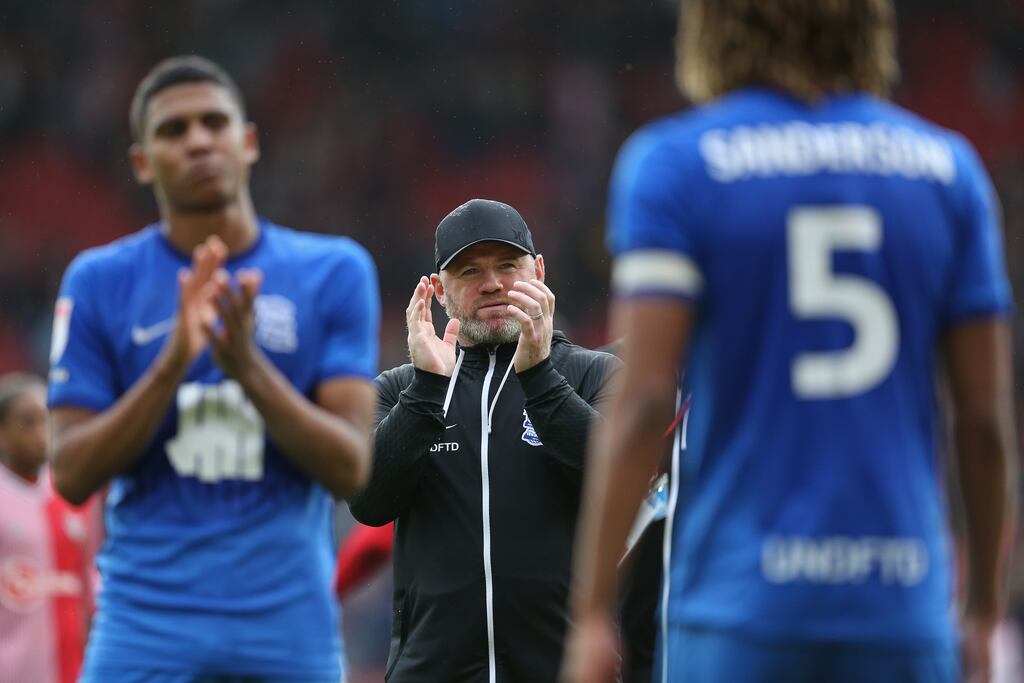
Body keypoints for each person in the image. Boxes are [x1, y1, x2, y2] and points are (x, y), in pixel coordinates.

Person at [562, 1, 1018, 682]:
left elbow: (644, 399)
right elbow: (982, 423)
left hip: (737, 610)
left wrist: (593, 608)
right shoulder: (949, 173)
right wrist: (982, 609)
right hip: (898, 606)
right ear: (867, 24)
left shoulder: (677, 165)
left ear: (714, 25)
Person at [47, 55, 380, 683]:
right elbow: (68, 473)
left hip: (287, 625)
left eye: (214, 122)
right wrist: (172, 364)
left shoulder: (334, 271)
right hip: (143, 622)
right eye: (173, 130)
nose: (198, 140)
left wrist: (247, 369)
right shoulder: (98, 281)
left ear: (247, 142)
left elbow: (349, 466)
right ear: (142, 161)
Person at [348, 198, 620, 683]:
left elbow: (616, 486)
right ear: (438, 290)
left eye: (507, 266)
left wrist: (540, 377)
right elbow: (369, 502)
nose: (492, 283)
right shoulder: (397, 390)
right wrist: (427, 391)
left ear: (538, 270)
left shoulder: (593, 374)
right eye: (470, 270)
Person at [0, 372, 100, 683]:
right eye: (27, 422)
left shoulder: (75, 494)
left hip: (74, 670)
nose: (40, 432)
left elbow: (90, 582)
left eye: (46, 421)